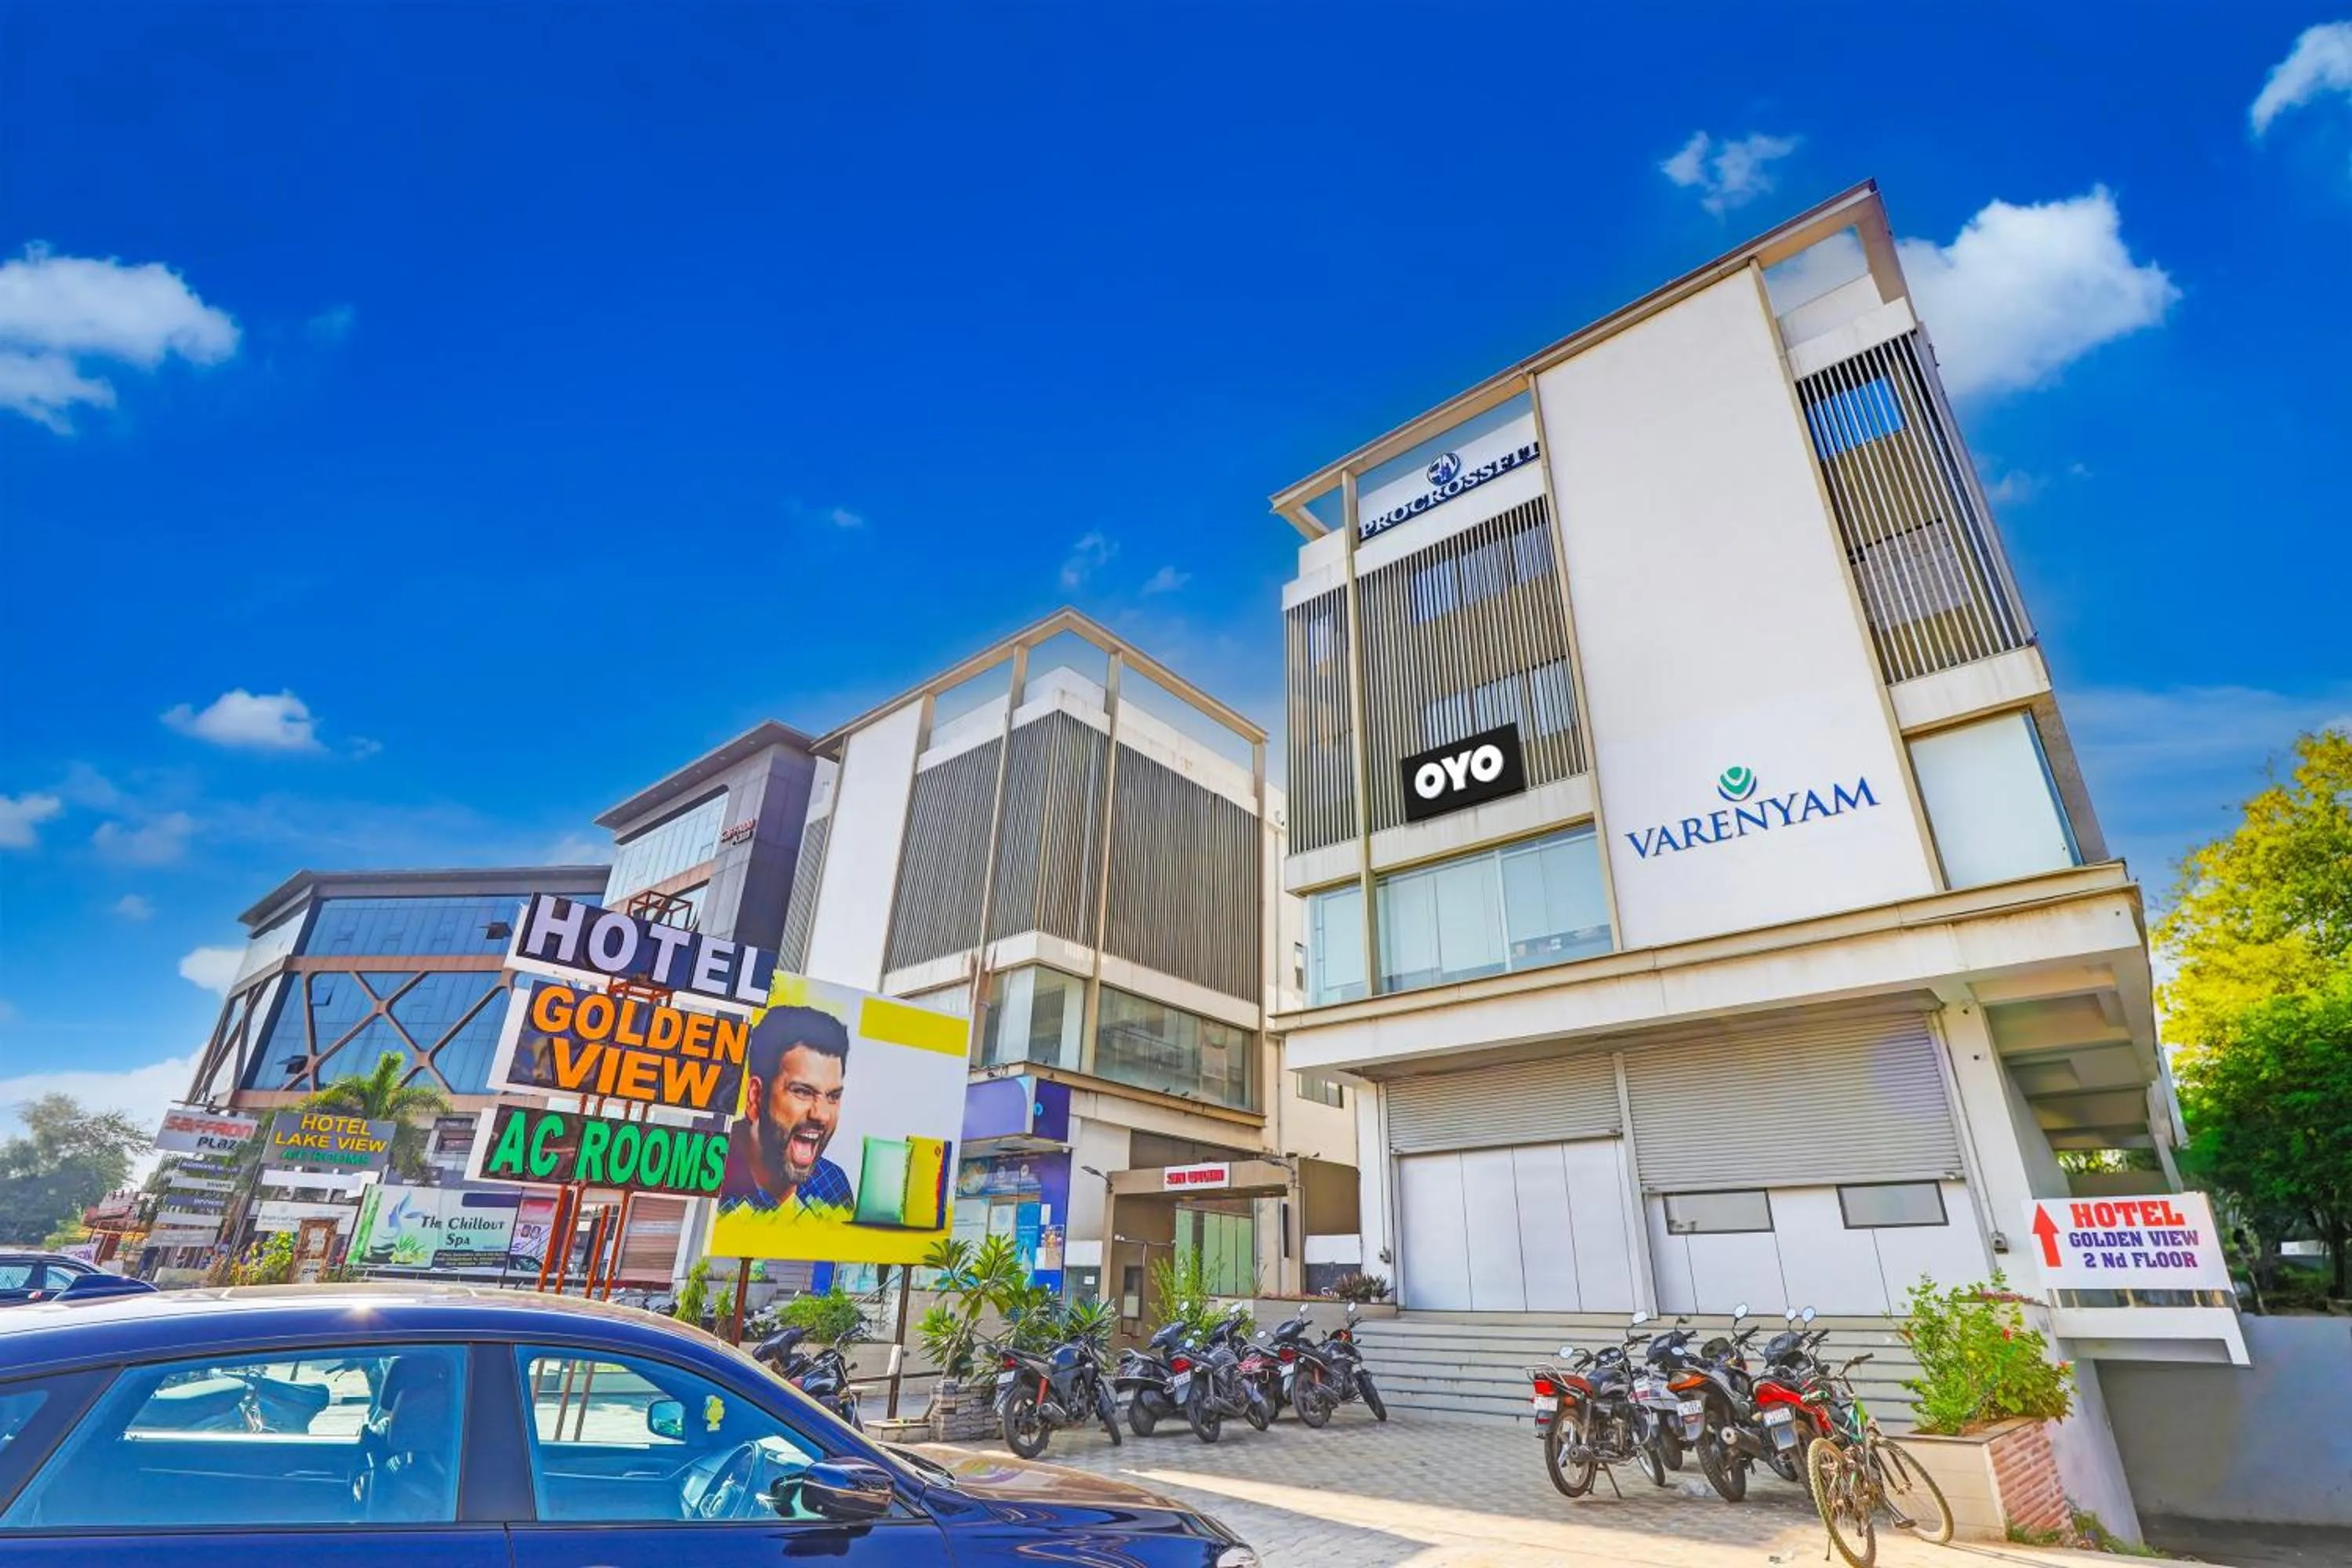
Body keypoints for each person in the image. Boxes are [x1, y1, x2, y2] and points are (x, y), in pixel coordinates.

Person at [718, 1004, 854, 1214]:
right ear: (755, 1097)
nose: (821, 1115)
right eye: (803, 1092)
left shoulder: (833, 1185)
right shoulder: (711, 1171)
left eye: (833, 1096)